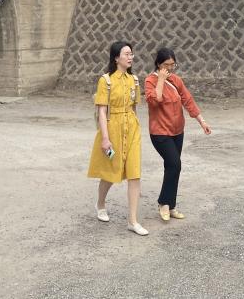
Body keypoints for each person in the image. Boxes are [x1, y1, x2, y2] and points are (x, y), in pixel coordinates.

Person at [144, 47, 211, 222]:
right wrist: (160, 79)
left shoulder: (176, 80)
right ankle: (163, 203)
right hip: (160, 132)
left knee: (172, 167)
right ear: (159, 64)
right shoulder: (150, 81)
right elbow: (155, 100)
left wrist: (202, 121)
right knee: (175, 164)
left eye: (173, 64)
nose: (170, 68)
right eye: (166, 65)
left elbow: (188, 100)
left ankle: (171, 205)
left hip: (177, 131)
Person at [87, 41, 146, 235]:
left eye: (131, 54)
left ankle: (132, 221)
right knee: (110, 172)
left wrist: (135, 126)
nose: (130, 57)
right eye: (126, 54)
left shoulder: (134, 80)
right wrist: (105, 138)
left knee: (134, 173)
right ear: (116, 58)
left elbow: (134, 107)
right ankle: (100, 203)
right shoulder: (106, 80)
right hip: (113, 129)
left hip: (132, 129)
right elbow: (102, 111)